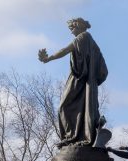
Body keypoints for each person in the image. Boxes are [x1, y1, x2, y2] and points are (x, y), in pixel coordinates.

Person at [38, 18, 108, 147]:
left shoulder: (83, 37)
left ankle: (71, 136)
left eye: (72, 28)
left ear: (79, 26)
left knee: (64, 107)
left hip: (80, 79)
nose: (71, 32)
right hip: (85, 80)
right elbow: (103, 68)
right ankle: (79, 134)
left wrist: (48, 58)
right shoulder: (92, 42)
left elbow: (65, 50)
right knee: (80, 108)